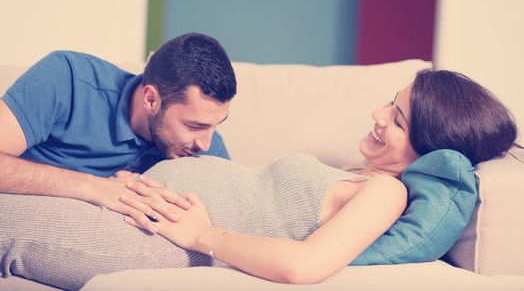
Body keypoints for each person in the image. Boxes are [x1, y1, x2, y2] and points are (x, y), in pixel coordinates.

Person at [0, 69, 517, 290]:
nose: (379, 115)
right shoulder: (359, 177)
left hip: (160, 239)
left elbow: (304, 265)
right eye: (392, 101)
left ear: (426, 147)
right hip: (138, 208)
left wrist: (202, 235)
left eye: (399, 120)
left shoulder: (388, 191)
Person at [0, 32, 237, 231]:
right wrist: (94, 186)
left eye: (216, 125)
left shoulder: (205, 147)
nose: (205, 144)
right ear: (151, 99)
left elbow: (232, 219)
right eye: (194, 126)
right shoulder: (67, 78)